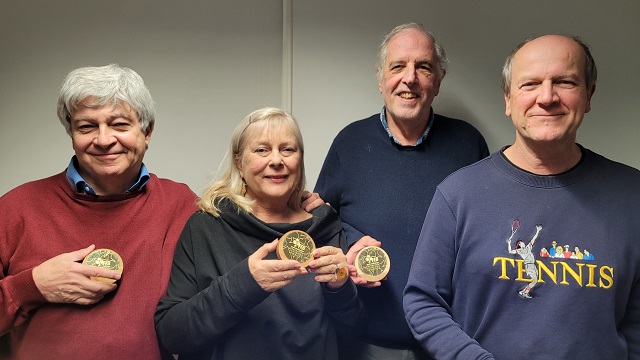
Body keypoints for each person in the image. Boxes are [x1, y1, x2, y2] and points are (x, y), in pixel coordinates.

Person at [404, 35, 640, 359]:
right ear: (508, 99)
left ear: (588, 95)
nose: (547, 97)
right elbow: (422, 301)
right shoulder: (457, 195)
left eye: (565, 82)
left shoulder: (632, 195)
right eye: (530, 84)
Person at [0, 64, 200, 359]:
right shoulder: (15, 208)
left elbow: (217, 301)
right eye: (86, 126)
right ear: (71, 132)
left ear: (147, 132)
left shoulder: (182, 204)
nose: (104, 140)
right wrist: (33, 286)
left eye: (119, 125)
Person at [314, 23, 489, 359]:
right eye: (398, 66)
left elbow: (486, 234)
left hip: (449, 342)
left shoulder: (469, 143)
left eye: (423, 67)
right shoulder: (349, 143)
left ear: (438, 80)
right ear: (381, 79)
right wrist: (349, 243)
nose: (410, 78)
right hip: (364, 341)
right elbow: (320, 221)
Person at [154, 107, 363, 360]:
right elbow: (172, 334)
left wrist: (341, 286)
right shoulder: (206, 226)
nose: (277, 160)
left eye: (288, 149)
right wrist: (243, 284)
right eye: (262, 150)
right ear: (239, 163)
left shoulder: (326, 226)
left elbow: (353, 332)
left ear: (300, 160)